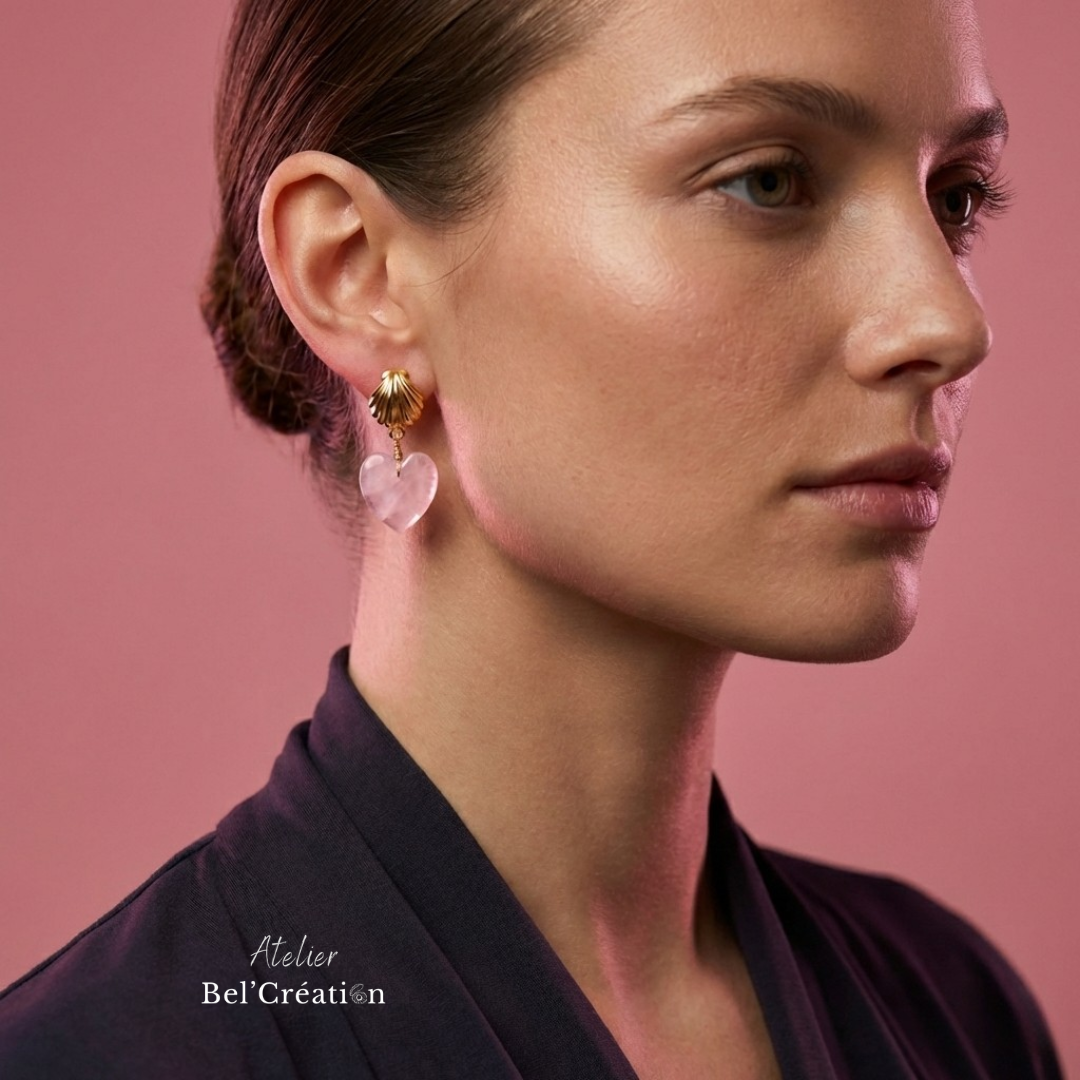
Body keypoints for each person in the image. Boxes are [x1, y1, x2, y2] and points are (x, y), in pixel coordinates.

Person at [0, 0, 1066, 1076]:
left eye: (956, 198)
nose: (949, 323)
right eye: (768, 181)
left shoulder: (957, 1020)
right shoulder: (103, 1056)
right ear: (357, 272)